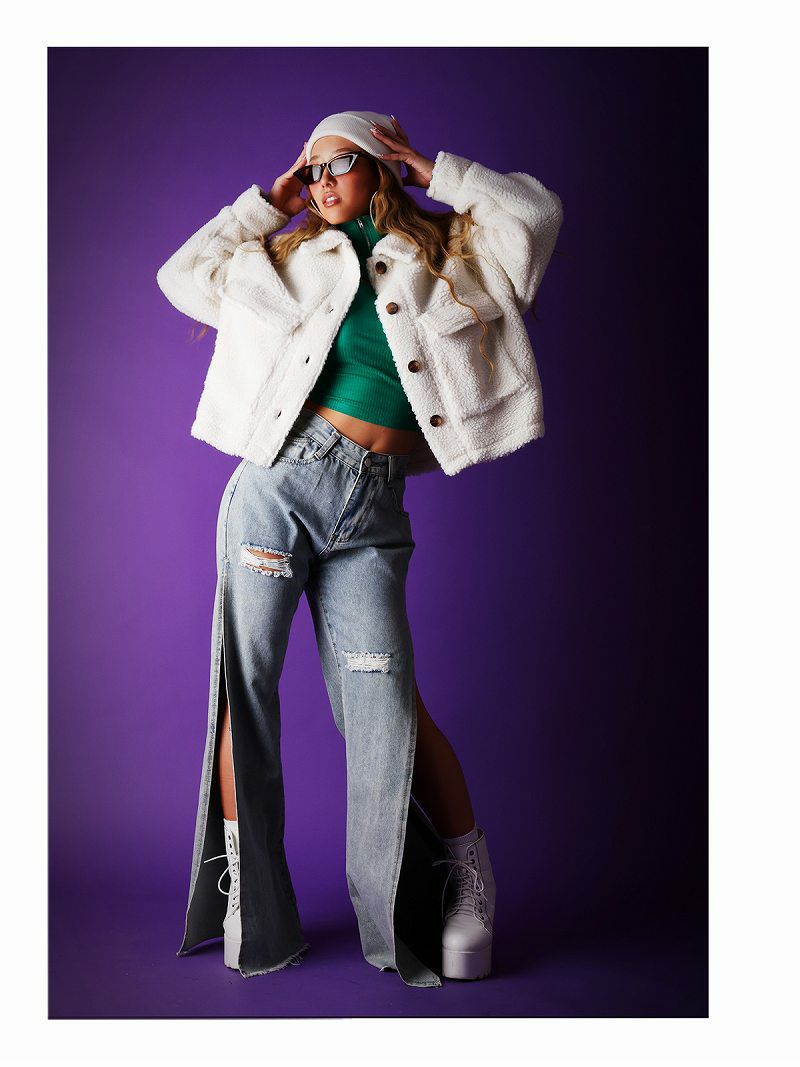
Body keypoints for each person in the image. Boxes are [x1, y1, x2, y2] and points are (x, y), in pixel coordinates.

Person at [156, 110, 564, 988]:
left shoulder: (452, 255)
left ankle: (461, 880)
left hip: (374, 508)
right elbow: (181, 276)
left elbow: (535, 217)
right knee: (247, 690)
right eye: (309, 172)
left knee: (388, 706)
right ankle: (253, 900)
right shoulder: (293, 257)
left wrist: (435, 169)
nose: (320, 182)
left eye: (337, 162)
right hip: (279, 486)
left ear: (380, 165)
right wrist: (265, 206)